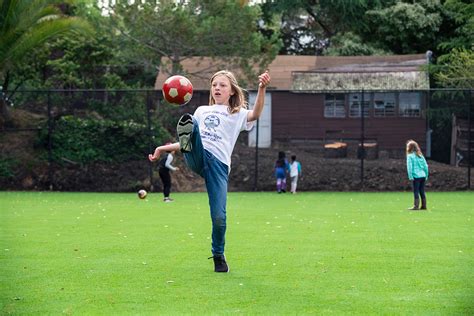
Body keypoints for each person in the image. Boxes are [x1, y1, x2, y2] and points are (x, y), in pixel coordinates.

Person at [149, 70, 271, 273]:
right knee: (192, 124)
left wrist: (262, 88)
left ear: (232, 91)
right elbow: (186, 138)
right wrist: (164, 148)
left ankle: (218, 255)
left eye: (222, 85)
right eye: (214, 85)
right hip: (197, 155)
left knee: (219, 217)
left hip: (219, 167)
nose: (217, 88)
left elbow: (256, 114)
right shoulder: (202, 110)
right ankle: (190, 136)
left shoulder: (237, 113)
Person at [406, 139, 429, 210]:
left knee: (416, 191)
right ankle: (424, 206)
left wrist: (410, 176)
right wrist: (426, 175)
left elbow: (409, 167)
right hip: (423, 175)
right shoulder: (420, 156)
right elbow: (425, 166)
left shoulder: (410, 156)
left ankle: (416, 206)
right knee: (422, 191)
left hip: (416, 176)